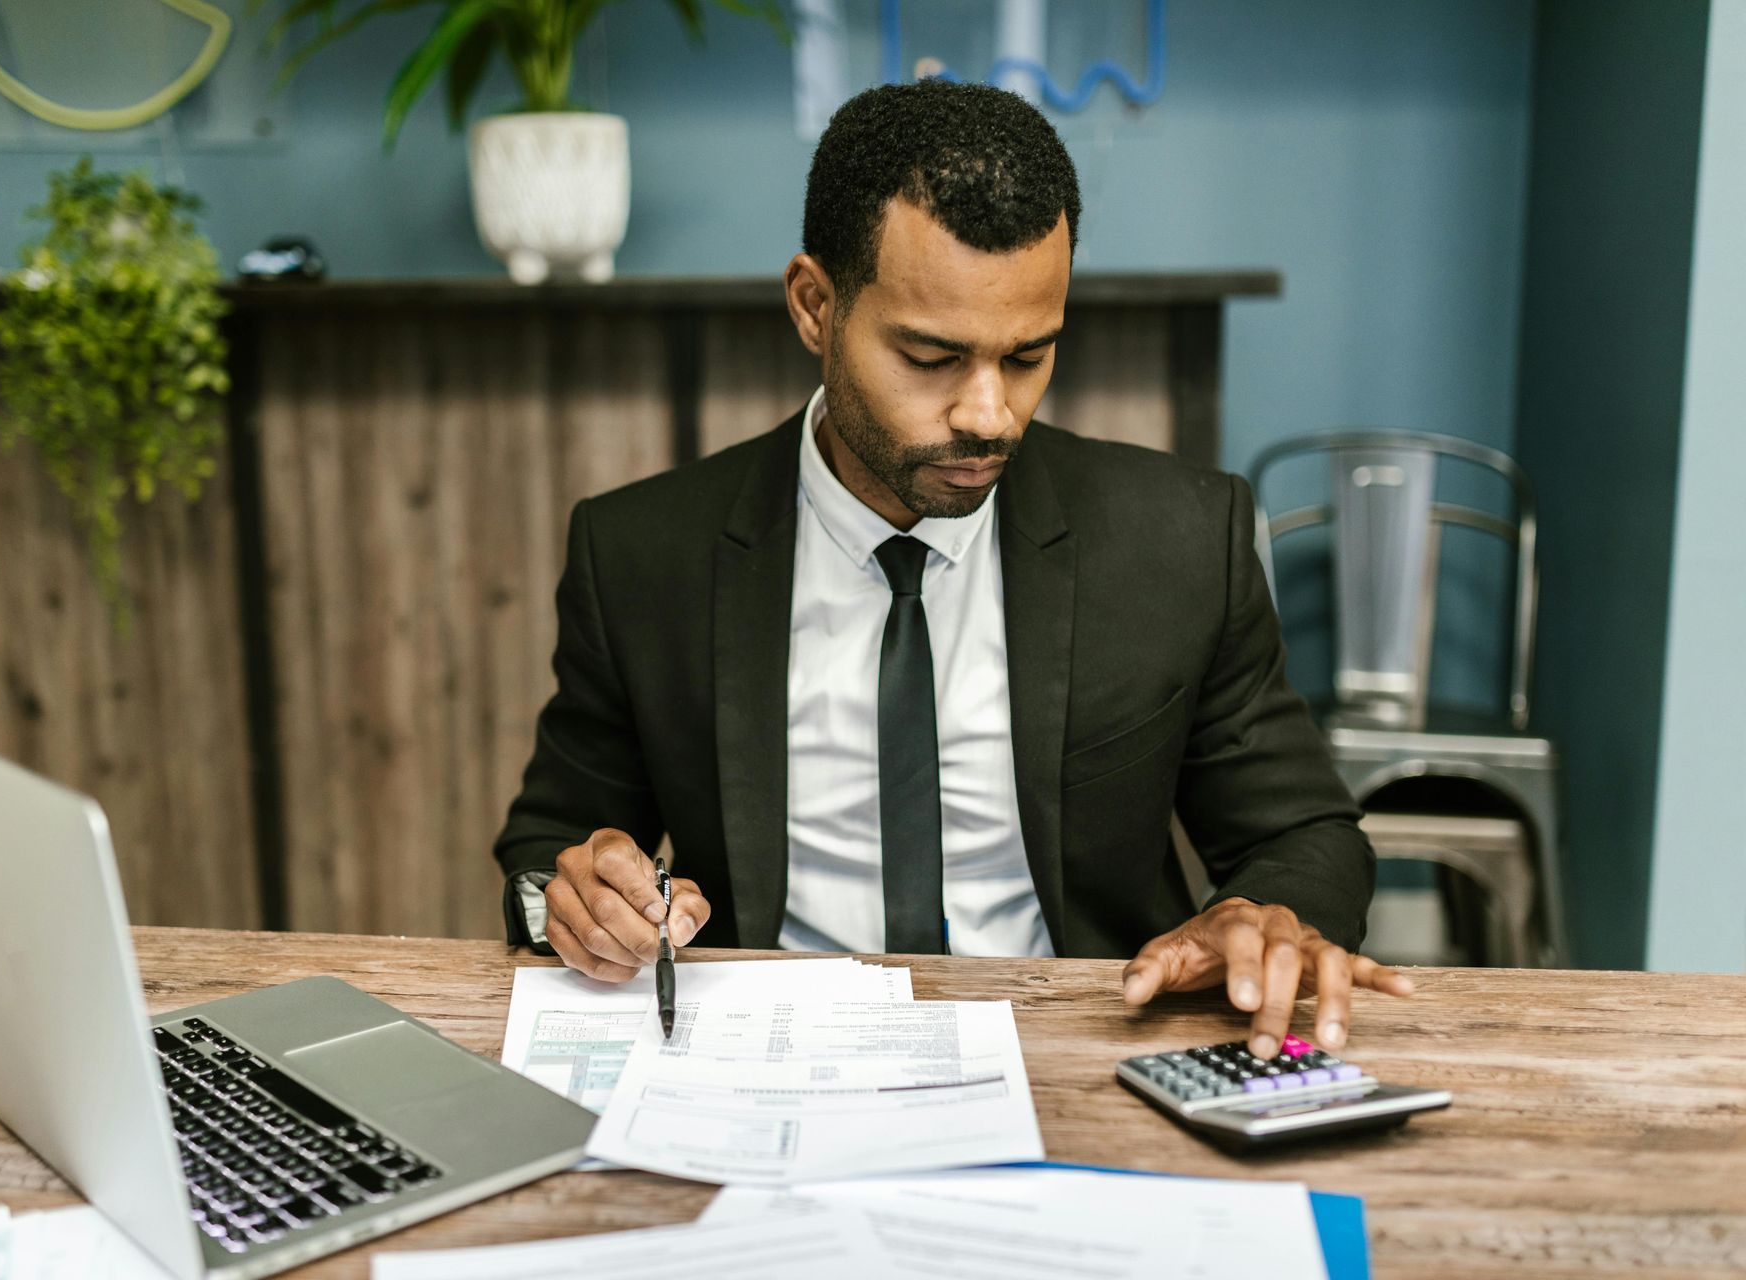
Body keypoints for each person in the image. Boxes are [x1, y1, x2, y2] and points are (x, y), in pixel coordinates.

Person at [495, 79, 1411, 1061]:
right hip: (764, 1060)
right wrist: (575, 899)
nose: (988, 413)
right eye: (932, 356)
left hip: (1087, 1053)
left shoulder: (1182, 540)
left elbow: (1309, 835)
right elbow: (549, 846)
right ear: (815, 305)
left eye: (1028, 356)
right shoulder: (643, 553)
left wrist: (1263, 912)